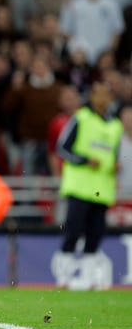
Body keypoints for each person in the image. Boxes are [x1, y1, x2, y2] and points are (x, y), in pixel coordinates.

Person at [51, 81, 123, 290]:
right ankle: (63, 278)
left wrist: (116, 165)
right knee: (73, 231)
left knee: (95, 234)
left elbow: (114, 154)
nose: (102, 99)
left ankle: (90, 279)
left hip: (103, 189)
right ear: (92, 97)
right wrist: (83, 160)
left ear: (110, 98)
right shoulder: (81, 118)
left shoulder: (115, 126)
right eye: (98, 94)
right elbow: (62, 148)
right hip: (80, 186)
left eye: (106, 94)